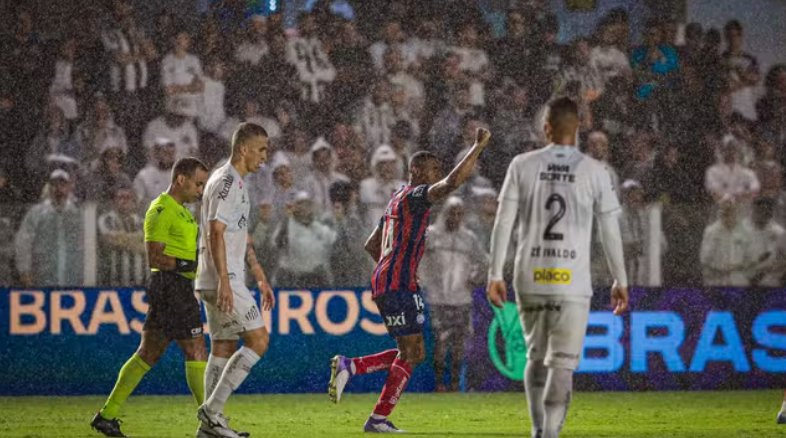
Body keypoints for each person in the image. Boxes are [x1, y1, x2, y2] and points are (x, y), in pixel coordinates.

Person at [328, 127, 492, 433]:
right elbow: (452, 183)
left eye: (438, 169)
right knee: (412, 352)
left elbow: (372, 245)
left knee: (414, 352)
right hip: (398, 283)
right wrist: (478, 147)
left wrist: (394, 266)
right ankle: (376, 416)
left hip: (391, 280)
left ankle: (353, 369)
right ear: (416, 170)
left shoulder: (396, 200)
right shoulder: (416, 196)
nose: (437, 174)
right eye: (433, 169)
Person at [486, 97, 628, 438]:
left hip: (530, 275)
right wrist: (620, 279)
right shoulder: (596, 171)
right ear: (579, 127)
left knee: (536, 357)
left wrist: (495, 273)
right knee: (562, 363)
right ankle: (550, 433)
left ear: (545, 128)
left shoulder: (522, 164)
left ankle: (538, 431)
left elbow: (503, 222)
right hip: (571, 280)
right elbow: (609, 230)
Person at [90, 157, 209, 437]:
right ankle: (210, 421)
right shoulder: (160, 209)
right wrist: (189, 265)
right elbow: (155, 257)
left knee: (148, 353)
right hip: (171, 286)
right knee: (196, 350)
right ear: (181, 179)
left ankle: (106, 416)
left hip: (175, 287)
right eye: (198, 184)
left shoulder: (183, 212)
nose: (200, 190)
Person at [195, 123, 275, 438]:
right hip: (222, 278)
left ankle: (208, 428)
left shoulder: (234, 181)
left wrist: (259, 274)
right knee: (259, 340)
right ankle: (212, 411)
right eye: (261, 149)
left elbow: (237, 233)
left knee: (223, 346)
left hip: (218, 277)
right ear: (243, 149)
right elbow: (215, 232)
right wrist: (226, 282)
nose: (265, 156)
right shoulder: (227, 182)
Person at [419, 196, 487, 392]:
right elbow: (416, 258)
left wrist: (475, 278)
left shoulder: (468, 238)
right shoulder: (431, 235)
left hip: (461, 298)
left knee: (459, 344)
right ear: (444, 213)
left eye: (459, 214)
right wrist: (422, 281)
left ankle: (455, 384)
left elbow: (484, 262)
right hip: (437, 298)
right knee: (439, 342)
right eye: (452, 213)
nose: (455, 218)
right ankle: (440, 383)